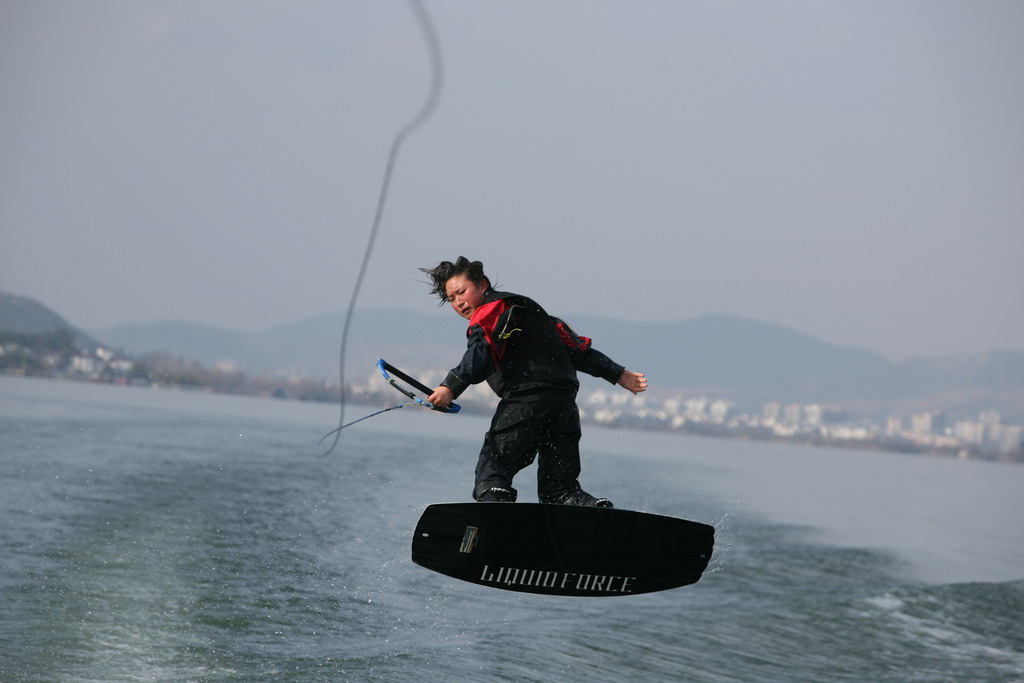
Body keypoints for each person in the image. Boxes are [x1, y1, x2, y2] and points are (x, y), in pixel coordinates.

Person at [422, 256, 647, 507]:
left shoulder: (489, 312)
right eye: (451, 299)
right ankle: (572, 503)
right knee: (560, 486)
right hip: (563, 403)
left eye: (461, 292)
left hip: (527, 399)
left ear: (483, 285)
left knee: (493, 466)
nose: (458, 302)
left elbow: (480, 352)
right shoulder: (531, 311)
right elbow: (575, 349)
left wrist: (450, 386)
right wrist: (617, 373)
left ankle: (494, 508)